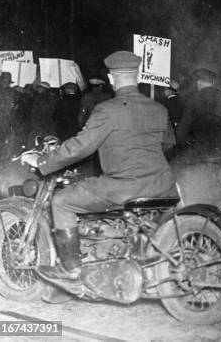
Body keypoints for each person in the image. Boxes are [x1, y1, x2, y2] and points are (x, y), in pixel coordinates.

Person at [21, 51, 176, 282]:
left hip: (124, 187)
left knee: (61, 201)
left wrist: (42, 161)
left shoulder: (108, 109)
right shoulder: (159, 109)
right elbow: (169, 144)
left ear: (112, 79)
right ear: (137, 76)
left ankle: (70, 269)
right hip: (163, 186)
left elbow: (81, 147)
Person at [176, 68, 221, 158]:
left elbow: (184, 126)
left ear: (199, 82)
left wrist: (181, 143)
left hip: (202, 149)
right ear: (213, 82)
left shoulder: (193, 99)